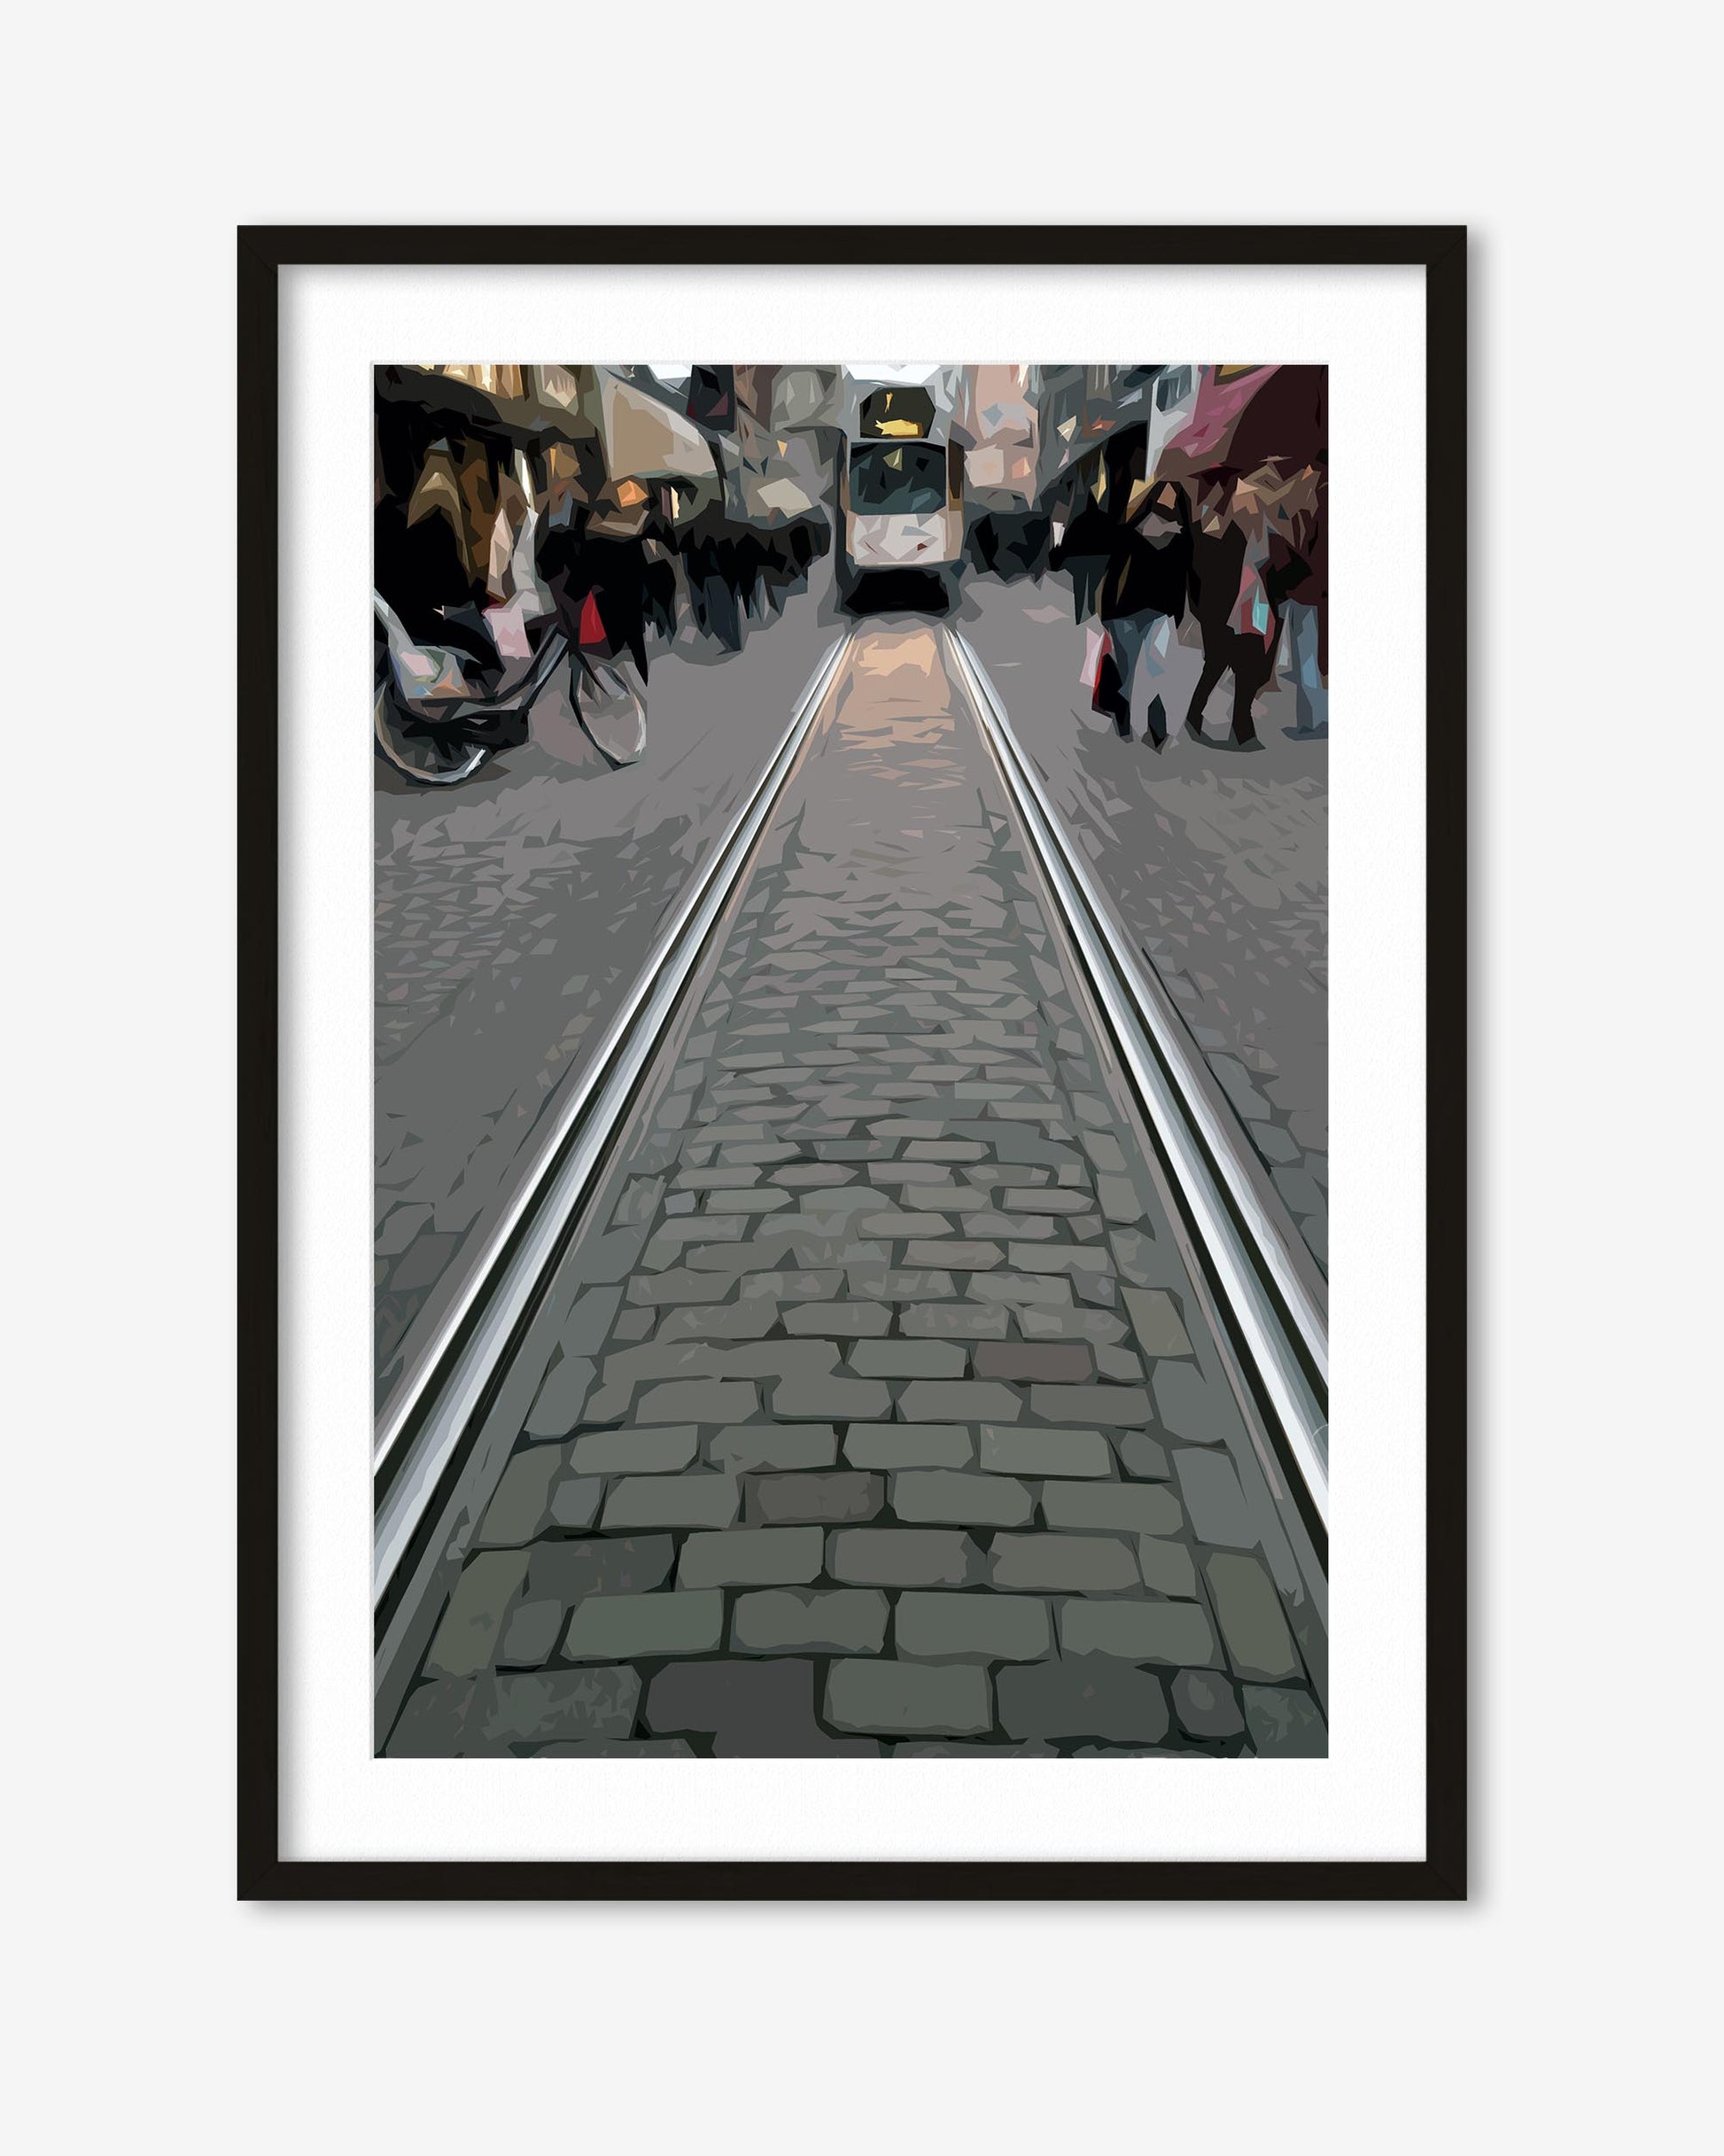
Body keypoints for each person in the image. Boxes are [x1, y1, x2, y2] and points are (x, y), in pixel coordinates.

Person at [1184, 471, 1277, 746]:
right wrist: (1200, 609)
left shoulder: (1256, 523)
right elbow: (1200, 564)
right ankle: (1196, 714)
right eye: (1246, 493)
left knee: (1246, 667)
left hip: (1251, 605)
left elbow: (1264, 561)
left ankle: (1241, 727)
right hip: (1221, 609)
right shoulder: (1214, 522)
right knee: (1216, 665)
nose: (1251, 498)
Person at [1266, 463, 1328, 735]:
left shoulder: (1309, 510)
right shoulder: (1308, 508)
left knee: (1308, 659)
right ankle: (1316, 720)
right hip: (1309, 594)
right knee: (1309, 659)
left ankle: (1313, 722)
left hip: (1307, 594)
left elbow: (1298, 557)